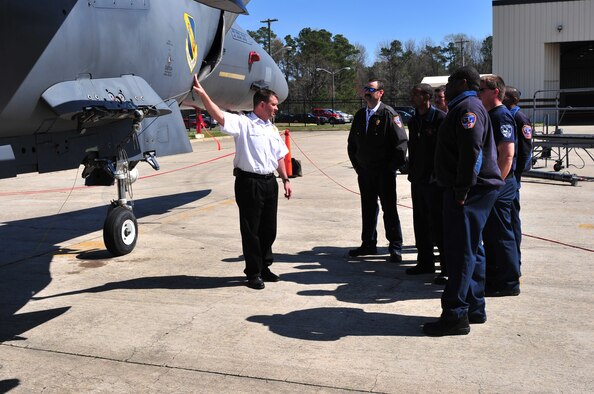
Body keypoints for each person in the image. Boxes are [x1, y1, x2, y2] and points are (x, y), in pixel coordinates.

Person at [423, 66, 504, 336]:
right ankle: (474, 308)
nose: (446, 86)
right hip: (474, 190)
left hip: (469, 192)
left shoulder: (467, 108)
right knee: (472, 250)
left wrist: (461, 189)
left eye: (450, 81)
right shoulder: (466, 106)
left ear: (463, 82)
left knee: (459, 252)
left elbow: (472, 152)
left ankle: (456, 314)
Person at [192, 75, 292, 290]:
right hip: (249, 183)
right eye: (274, 105)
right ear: (262, 104)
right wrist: (204, 95)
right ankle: (253, 272)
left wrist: (285, 179)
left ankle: (265, 266)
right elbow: (219, 116)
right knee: (251, 230)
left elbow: (279, 157)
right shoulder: (243, 123)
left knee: (269, 229)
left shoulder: (272, 129)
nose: (276, 109)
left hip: (269, 183)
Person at [347, 79, 408, 262]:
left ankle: (395, 246)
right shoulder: (360, 115)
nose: (367, 92)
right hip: (365, 172)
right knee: (368, 208)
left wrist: (390, 168)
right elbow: (352, 144)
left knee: (389, 210)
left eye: (371, 89)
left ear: (380, 93)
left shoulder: (389, 114)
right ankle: (368, 244)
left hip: (384, 172)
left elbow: (401, 144)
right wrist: (358, 166)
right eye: (365, 89)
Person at [479, 75, 521, 297]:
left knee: (501, 234)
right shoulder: (490, 115)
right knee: (492, 235)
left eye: (482, 89)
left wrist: (495, 184)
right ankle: (495, 278)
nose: (478, 93)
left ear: (495, 92)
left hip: (501, 184)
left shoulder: (501, 116)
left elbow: (507, 155)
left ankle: (508, 283)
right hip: (496, 183)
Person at [405, 83, 447, 280]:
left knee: (438, 225)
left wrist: (437, 174)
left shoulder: (440, 119)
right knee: (420, 222)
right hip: (418, 179)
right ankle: (425, 262)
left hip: (435, 181)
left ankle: (446, 268)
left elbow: (444, 150)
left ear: (427, 97)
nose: (412, 97)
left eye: (416, 94)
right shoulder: (414, 120)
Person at [503, 86, 533, 278]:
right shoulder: (508, 115)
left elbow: (525, 150)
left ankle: (516, 263)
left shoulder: (519, 118)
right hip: (510, 175)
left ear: (511, 98)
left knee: (513, 220)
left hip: (513, 176)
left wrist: (517, 172)